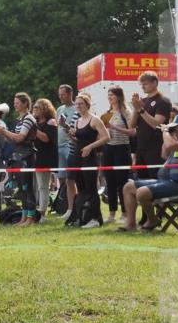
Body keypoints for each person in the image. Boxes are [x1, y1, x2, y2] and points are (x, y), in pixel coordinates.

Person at [121, 114, 178, 232]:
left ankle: (152, 219)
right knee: (128, 187)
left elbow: (170, 145)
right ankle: (130, 224)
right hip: (166, 181)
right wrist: (171, 134)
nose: (173, 129)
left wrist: (165, 131)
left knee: (141, 192)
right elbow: (164, 154)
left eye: (176, 127)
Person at [65, 93, 110, 228]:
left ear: (87, 105)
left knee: (91, 189)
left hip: (90, 158)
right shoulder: (78, 121)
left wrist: (90, 147)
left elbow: (106, 137)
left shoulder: (95, 119)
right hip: (78, 157)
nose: (78, 106)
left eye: (81, 104)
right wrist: (70, 134)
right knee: (81, 188)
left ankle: (95, 219)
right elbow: (78, 140)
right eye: (77, 104)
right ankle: (82, 216)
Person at [0, 93, 38, 226]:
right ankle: (24, 218)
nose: (15, 105)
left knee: (27, 188)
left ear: (25, 104)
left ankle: (31, 218)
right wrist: (4, 134)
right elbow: (13, 139)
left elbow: (20, 138)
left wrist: (4, 132)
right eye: (14, 102)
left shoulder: (29, 118)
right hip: (18, 156)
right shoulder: (19, 119)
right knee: (22, 189)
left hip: (27, 156)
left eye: (17, 102)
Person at [129, 70, 172, 182]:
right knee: (141, 181)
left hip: (155, 148)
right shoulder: (143, 101)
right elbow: (131, 125)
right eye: (141, 84)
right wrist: (135, 107)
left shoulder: (163, 101)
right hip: (141, 147)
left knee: (156, 180)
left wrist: (141, 110)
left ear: (155, 83)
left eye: (145, 84)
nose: (143, 87)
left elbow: (156, 124)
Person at [101, 87, 135, 223]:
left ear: (119, 96)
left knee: (122, 183)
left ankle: (125, 214)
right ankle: (111, 214)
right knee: (110, 182)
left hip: (122, 149)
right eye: (108, 95)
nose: (110, 97)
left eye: (112, 95)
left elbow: (132, 132)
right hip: (108, 149)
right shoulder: (107, 113)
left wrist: (114, 127)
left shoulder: (126, 112)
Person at [31, 98, 58, 222]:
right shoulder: (35, 122)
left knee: (43, 186)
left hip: (45, 157)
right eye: (34, 107)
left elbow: (47, 139)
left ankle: (42, 213)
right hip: (35, 156)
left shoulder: (51, 121)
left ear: (45, 108)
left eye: (37, 107)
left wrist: (34, 129)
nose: (34, 109)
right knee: (37, 186)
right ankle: (36, 210)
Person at [56, 84, 78, 221]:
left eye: (63, 94)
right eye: (59, 94)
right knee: (61, 178)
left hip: (70, 146)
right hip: (59, 146)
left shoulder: (77, 108)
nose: (60, 97)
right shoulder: (59, 109)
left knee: (72, 179)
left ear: (70, 94)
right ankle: (64, 205)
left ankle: (73, 207)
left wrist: (65, 126)